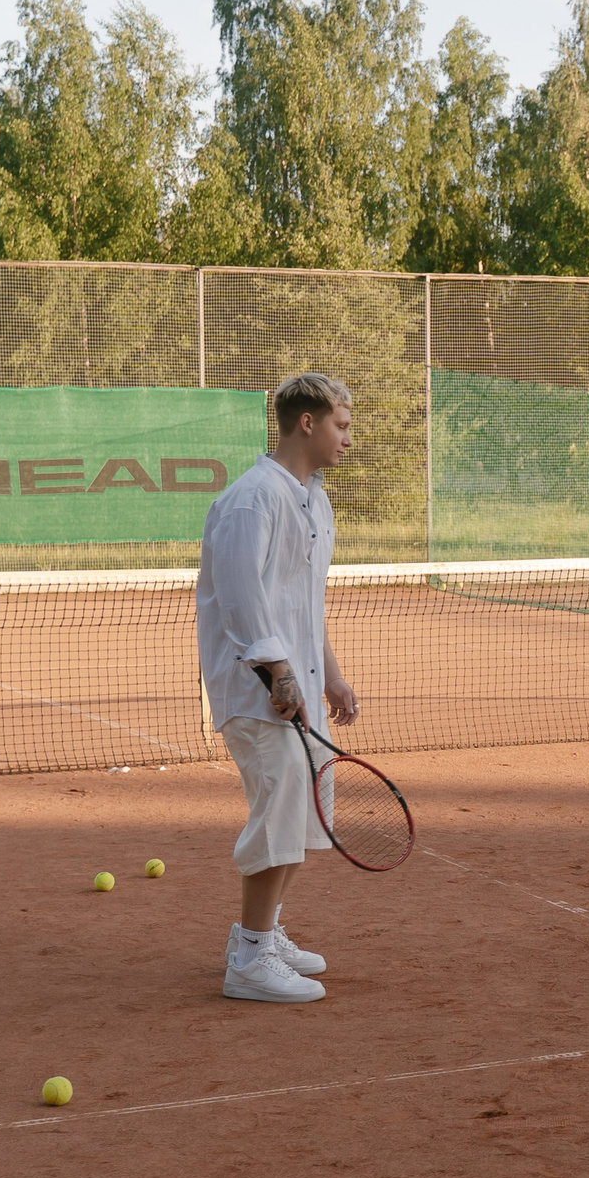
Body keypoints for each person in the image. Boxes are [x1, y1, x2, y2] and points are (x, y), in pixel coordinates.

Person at [194, 372, 360, 1003]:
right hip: (257, 693)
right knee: (278, 815)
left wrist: (331, 674)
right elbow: (243, 603)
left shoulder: (315, 502)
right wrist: (278, 672)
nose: (349, 439)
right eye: (341, 426)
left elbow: (302, 604)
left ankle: (263, 934)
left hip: (301, 689)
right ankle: (250, 960)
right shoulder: (250, 499)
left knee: (305, 813)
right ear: (308, 424)